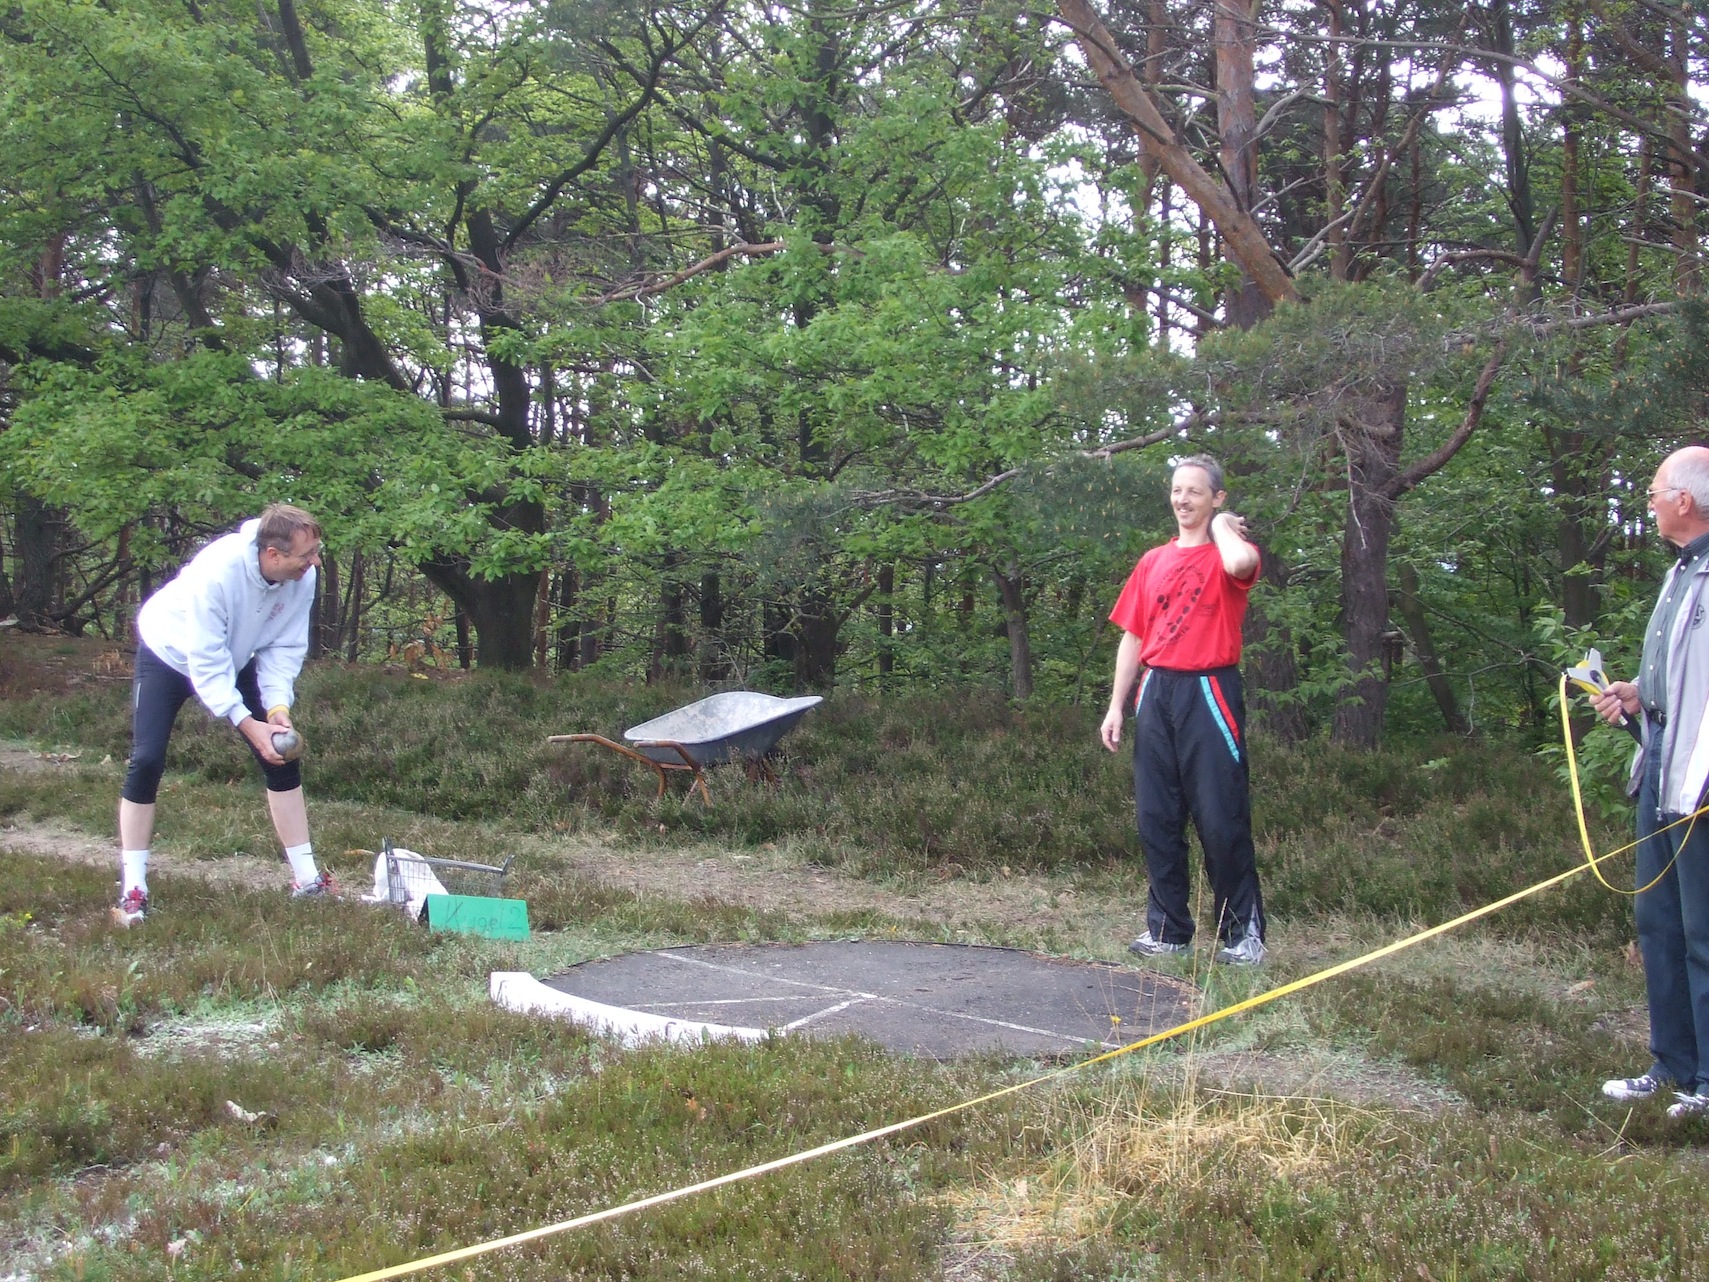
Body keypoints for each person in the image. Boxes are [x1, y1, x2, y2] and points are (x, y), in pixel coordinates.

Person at [112, 504, 331, 926]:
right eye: (307, 555)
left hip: (234, 655)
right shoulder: (216, 572)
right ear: (272, 554)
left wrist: (277, 708)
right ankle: (134, 890)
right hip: (170, 653)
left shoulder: (301, 577)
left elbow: (284, 646)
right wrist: (249, 725)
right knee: (147, 759)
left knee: (281, 756)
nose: (315, 562)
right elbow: (206, 662)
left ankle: (308, 880)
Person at [1099, 454, 1267, 965]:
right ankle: (1169, 931)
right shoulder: (1153, 561)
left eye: (1195, 490)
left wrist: (1221, 526)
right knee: (1157, 817)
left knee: (1219, 817)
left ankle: (1242, 936)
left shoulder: (1228, 553)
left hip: (1209, 690)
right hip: (1156, 690)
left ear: (1217, 497)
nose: (1182, 499)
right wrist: (1116, 706)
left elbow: (1240, 565)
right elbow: (1133, 636)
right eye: (1177, 490)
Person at [1591, 445, 1709, 1120]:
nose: (1651, 502)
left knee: (1703, 931)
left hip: (1700, 780)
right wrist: (1639, 693)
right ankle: (1672, 1066)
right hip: (1661, 766)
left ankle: (1707, 1083)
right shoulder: (1678, 572)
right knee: (1658, 921)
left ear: (1683, 501)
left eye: (1655, 491)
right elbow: (1682, 674)